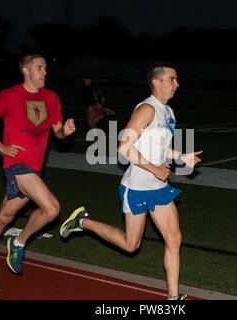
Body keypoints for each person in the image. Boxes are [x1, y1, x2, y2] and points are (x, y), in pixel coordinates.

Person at [60, 63, 202, 300]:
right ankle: (82, 221)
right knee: (130, 245)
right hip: (136, 188)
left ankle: (173, 298)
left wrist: (180, 156)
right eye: (172, 79)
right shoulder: (146, 109)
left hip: (158, 189)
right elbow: (123, 147)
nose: (177, 84)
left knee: (174, 238)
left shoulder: (168, 112)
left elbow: (160, 148)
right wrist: (155, 169)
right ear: (157, 82)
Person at [0, 53, 76, 286]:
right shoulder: (8, 95)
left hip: (34, 168)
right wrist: (0, 146)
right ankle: (18, 243)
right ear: (26, 71)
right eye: (40, 67)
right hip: (17, 164)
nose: (45, 71)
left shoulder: (51, 98)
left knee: (5, 216)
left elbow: (56, 131)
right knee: (52, 208)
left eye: (45, 67)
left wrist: (64, 131)